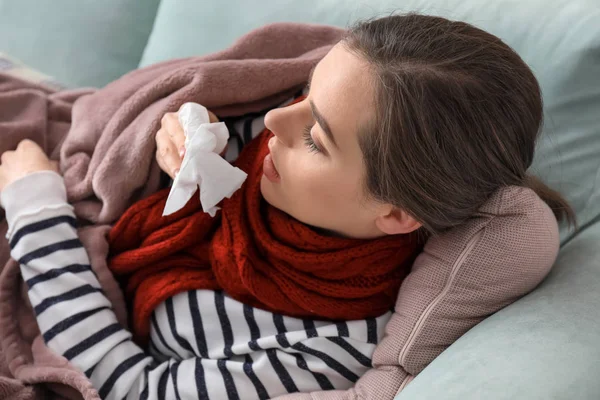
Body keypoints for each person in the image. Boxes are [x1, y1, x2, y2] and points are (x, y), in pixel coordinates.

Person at [0, 13, 572, 400]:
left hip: (39, 236)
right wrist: (175, 127)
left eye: (317, 139)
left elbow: (134, 388)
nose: (276, 120)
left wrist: (37, 212)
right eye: (304, 93)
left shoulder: (327, 347)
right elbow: (197, 107)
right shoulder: (275, 150)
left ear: (396, 215)